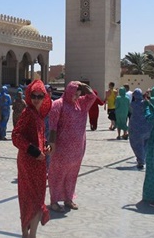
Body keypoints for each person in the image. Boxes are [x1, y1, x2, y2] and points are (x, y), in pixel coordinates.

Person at [47, 81, 96, 212]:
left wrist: (85, 87)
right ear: (68, 92)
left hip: (78, 149)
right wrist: (51, 144)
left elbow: (92, 97)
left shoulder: (81, 104)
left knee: (72, 174)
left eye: (78, 94)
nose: (76, 97)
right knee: (58, 174)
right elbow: (52, 126)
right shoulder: (58, 104)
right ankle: (54, 201)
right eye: (74, 94)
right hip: (62, 148)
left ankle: (68, 199)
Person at [12, 80, 52, 237]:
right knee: (29, 197)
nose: (36, 99)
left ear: (44, 97)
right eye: (33, 96)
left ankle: (32, 234)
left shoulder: (39, 114)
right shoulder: (28, 113)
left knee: (37, 198)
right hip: (28, 162)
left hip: (39, 163)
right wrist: (34, 151)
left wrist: (46, 145)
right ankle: (25, 233)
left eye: (40, 96)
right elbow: (16, 136)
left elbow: (39, 136)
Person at [129, 89, 153, 169]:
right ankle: (143, 158)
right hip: (147, 127)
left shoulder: (133, 104)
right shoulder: (145, 103)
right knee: (145, 144)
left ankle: (141, 161)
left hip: (136, 128)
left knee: (137, 145)